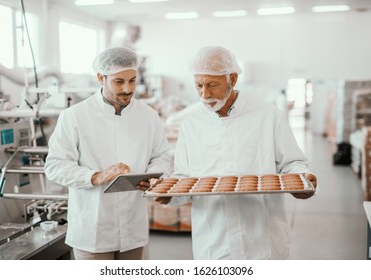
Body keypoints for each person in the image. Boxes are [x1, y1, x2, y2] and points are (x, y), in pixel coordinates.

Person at [156, 46, 317, 260]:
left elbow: (292, 163)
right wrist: (170, 196)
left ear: (232, 78)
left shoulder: (267, 115)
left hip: (261, 238)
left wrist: (301, 181)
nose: (205, 94)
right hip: (213, 239)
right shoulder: (191, 125)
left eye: (212, 85)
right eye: (199, 85)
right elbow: (185, 177)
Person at [44, 47, 171, 260]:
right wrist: (94, 176)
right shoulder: (74, 117)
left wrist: (154, 175)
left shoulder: (148, 116)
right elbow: (55, 166)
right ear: (100, 78)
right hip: (93, 230)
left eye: (132, 80)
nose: (127, 88)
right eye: (119, 82)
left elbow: (161, 156)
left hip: (133, 227)